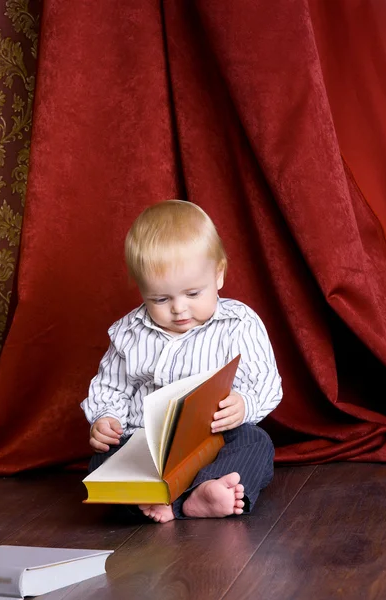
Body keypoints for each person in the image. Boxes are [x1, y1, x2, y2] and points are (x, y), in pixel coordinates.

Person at [81, 200, 282, 523]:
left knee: (256, 443)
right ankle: (161, 502)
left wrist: (244, 404)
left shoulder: (239, 323)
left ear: (218, 275)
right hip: (146, 444)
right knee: (101, 463)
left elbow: (266, 382)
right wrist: (105, 419)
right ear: (142, 291)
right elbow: (110, 386)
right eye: (160, 299)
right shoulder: (129, 332)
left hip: (213, 441)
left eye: (192, 294)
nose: (178, 309)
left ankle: (204, 492)